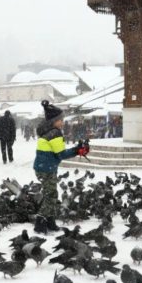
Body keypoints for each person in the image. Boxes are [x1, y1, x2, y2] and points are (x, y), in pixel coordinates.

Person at [33, 100, 88, 234]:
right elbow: (61, 154)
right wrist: (77, 150)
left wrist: (76, 149)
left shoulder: (46, 131)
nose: (62, 123)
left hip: (43, 167)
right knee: (51, 196)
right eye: (60, 120)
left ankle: (50, 220)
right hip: (47, 169)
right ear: (54, 121)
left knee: (51, 194)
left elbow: (56, 153)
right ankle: (40, 222)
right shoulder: (55, 133)